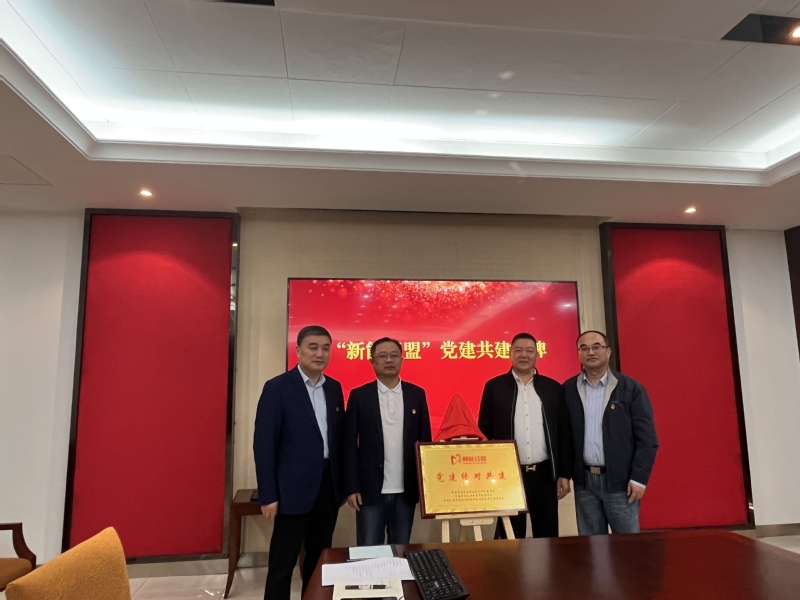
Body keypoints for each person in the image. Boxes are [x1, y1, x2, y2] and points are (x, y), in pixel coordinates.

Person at [253, 325, 345, 600]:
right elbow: (264, 445)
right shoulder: (277, 388)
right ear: (298, 350)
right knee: (283, 563)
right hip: (290, 490)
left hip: (327, 488)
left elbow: (338, 440)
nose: (320, 354)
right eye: (313, 347)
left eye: (325, 348)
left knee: (319, 559)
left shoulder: (334, 388)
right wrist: (268, 495)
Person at [477, 333, 573, 539]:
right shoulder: (494, 387)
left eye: (529, 351)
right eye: (518, 350)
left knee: (547, 538)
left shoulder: (552, 388)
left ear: (537, 354)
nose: (524, 355)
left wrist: (564, 473)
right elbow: (484, 427)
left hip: (545, 475)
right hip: (510, 475)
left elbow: (563, 432)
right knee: (511, 540)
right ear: (510, 353)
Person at [563, 330, 659, 535]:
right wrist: (565, 473)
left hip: (621, 483)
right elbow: (563, 436)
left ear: (608, 352)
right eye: (584, 348)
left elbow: (647, 440)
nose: (591, 352)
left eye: (596, 347)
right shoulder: (568, 389)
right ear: (578, 354)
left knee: (627, 547)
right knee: (592, 546)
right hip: (584, 483)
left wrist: (639, 478)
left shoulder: (631, 389)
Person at [343, 337, 432, 545]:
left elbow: (425, 443)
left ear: (402, 360)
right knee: (369, 551)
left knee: (400, 550)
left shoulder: (417, 394)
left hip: (406, 490)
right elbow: (348, 445)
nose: (389, 360)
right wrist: (351, 487)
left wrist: (425, 487)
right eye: (382, 356)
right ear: (372, 362)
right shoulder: (359, 396)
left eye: (394, 355)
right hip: (369, 491)